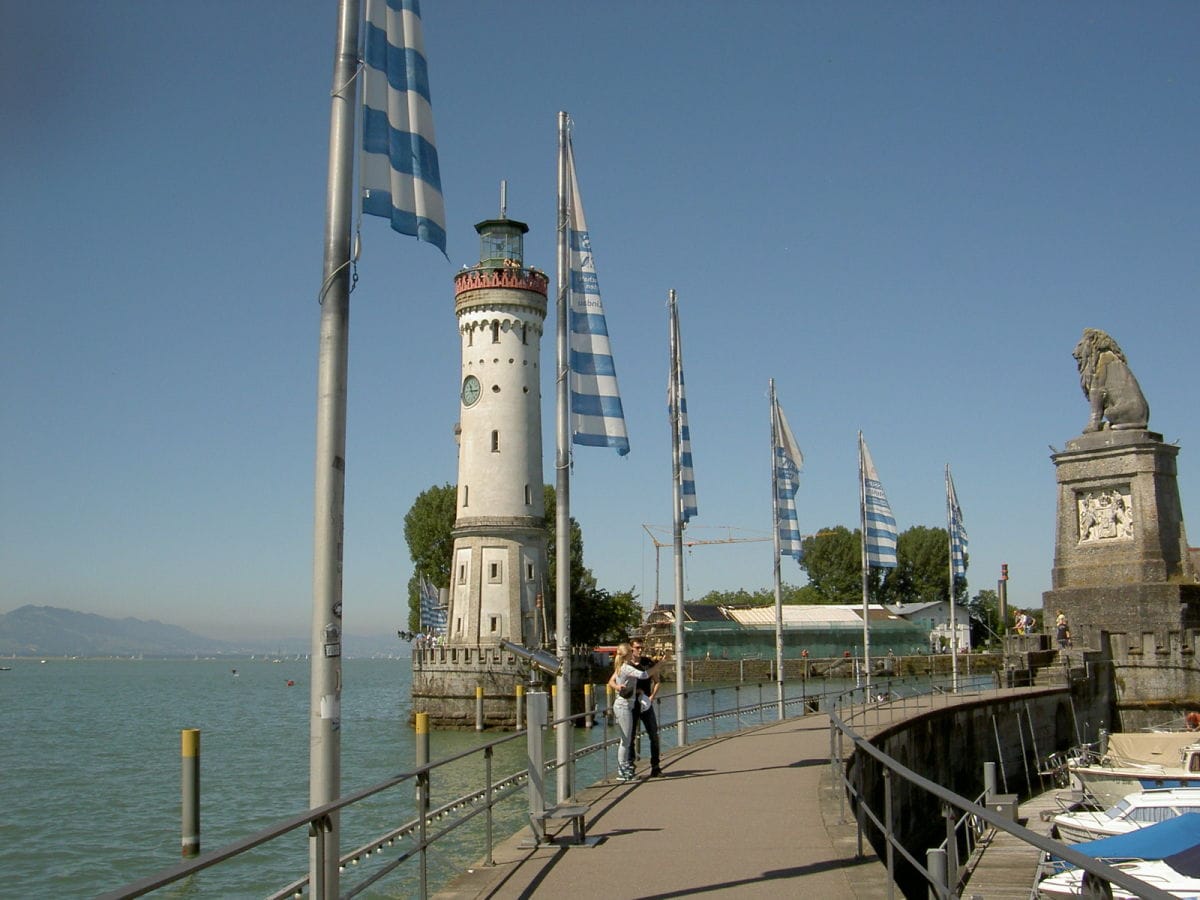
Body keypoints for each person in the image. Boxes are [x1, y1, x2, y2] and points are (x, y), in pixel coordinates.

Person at [607, 642, 646, 782]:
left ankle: (624, 768)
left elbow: (611, 681)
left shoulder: (620, 667)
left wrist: (617, 686)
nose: (635, 652)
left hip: (625, 704)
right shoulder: (626, 668)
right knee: (626, 740)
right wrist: (659, 665)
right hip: (623, 705)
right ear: (628, 654)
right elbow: (644, 675)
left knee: (627, 739)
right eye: (632, 651)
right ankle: (622, 770)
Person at [628, 639, 662, 778]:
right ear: (631, 648)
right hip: (631, 703)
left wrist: (652, 696)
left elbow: (657, 680)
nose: (640, 650)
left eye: (641, 647)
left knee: (653, 734)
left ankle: (655, 766)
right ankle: (630, 766)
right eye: (637, 647)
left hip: (646, 703)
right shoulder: (626, 664)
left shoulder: (648, 662)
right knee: (630, 737)